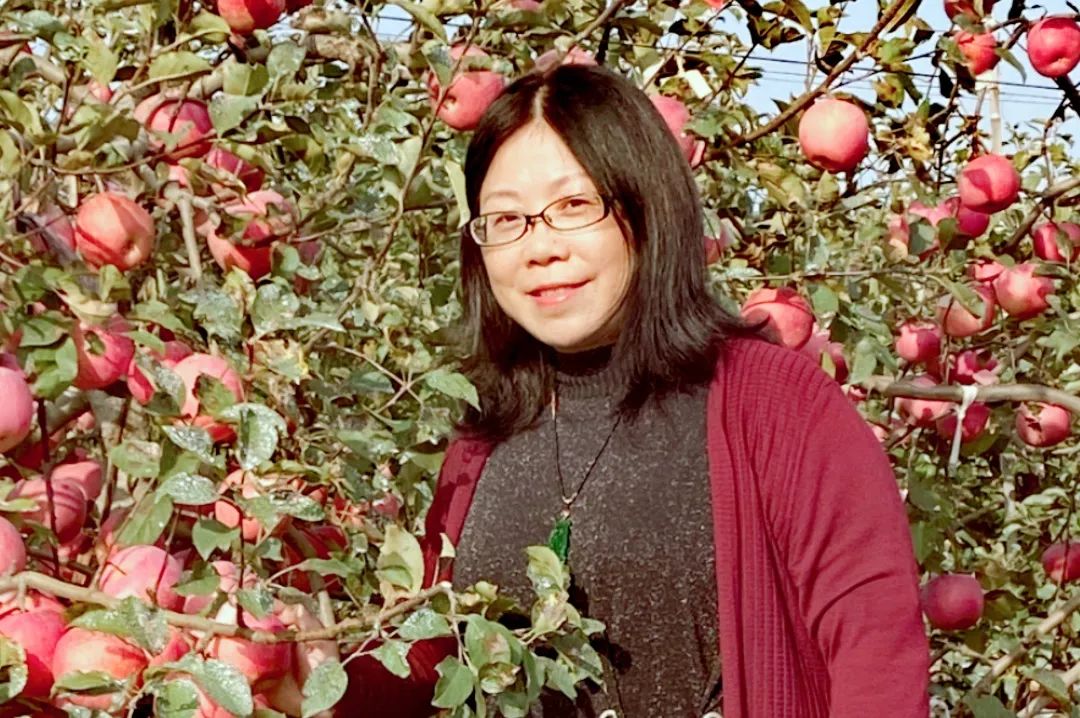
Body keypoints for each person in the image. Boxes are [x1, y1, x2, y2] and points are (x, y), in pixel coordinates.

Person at [342, 62, 930, 717]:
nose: (540, 248)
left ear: (648, 209)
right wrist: (313, 679)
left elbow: (876, 654)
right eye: (506, 219)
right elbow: (432, 665)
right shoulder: (484, 439)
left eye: (574, 206)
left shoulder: (773, 403)